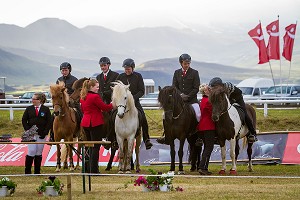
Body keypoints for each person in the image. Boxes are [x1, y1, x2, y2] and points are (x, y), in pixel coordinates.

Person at [157, 53, 200, 144]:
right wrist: (180, 95)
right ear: (181, 63)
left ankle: (199, 136)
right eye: (185, 63)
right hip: (179, 101)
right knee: (165, 115)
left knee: (198, 114)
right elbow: (174, 86)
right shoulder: (177, 73)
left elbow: (196, 88)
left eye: (188, 63)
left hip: (191, 101)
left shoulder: (194, 73)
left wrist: (188, 96)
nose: (187, 65)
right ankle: (166, 135)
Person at [116, 58, 153, 150]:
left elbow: (141, 91)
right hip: (122, 104)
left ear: (132, 68)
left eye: (128, 69)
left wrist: (132, 99)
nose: (127, 70)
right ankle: (112, 139)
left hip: (135, 103)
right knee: (112, 116)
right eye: (125, 69)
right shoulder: (120, 77)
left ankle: (147, 139)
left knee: (143, 118)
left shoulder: (138, 76)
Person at [80, 79, 115, 173]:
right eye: (97, 87)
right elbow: (105, 107)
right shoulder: (95, 97)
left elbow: (82, 110)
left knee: (89, 146)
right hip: (95, 123)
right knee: (96, 146)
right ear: (91, 87)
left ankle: (87, 168)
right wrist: (112, 104)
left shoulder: (83, 96)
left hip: (85, 123)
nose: (98, 89)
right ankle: (94, 170)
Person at [208, 77, 258, 143]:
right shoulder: (217, 91)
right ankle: (217, 135)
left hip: (237, 99)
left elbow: (239, 92)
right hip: (229, 101)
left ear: (218, 85)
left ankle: (252, 133)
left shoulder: (228, 86)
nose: (213, 89)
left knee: (245, 114)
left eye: (214, 87)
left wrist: (233, 101)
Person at [22, 92, 52, 174]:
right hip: (31, 134)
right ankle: (27, 171)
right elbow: (24, 120)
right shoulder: (29, 109)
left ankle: (37, 171)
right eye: (32, 99)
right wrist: (28, 130)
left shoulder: (45, 109)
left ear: (40, 100)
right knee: (31, 151)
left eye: (34, 99)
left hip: (41, 134)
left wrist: (45, 132)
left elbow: (49, 121)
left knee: (39, 152)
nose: (32, 100)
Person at [49, 62, 79, 142]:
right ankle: (52, 135)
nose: (64, 72)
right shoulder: (59, 80)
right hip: (61, 103)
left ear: (69, 70)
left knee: (80, 113)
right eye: (62, 70)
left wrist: (71, 99)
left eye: (65, 70)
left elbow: (77, 92)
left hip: (72, 102)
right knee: (52, 116)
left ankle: (80, 132)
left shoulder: (74, 80)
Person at [197, 84, 216, 175]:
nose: (210, 90)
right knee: (209, 147)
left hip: (202, 126)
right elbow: (212, 113)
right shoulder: (209, 101)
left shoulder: (202, 100)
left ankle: (204, 167)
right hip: (209, 126)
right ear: (205, 91)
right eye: (209, 89)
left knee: (206, 147)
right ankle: (202, 166)